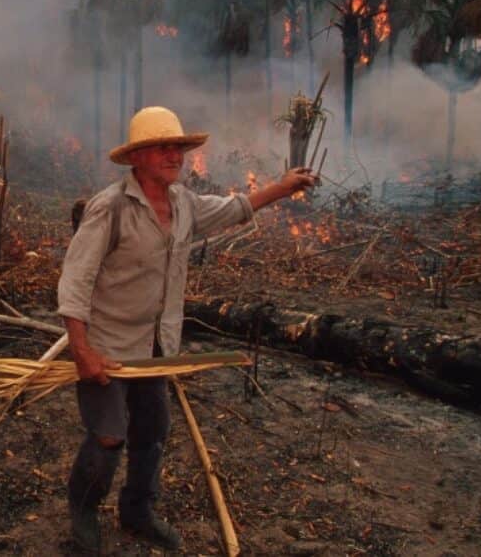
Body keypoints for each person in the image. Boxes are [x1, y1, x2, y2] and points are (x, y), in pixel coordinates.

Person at [57, 106, 318, 553]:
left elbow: (235, 208)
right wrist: (82, 350)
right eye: (162, 147)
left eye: (178, 146)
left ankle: (137, 512)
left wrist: (282, 187)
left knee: (152, 432)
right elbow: (75, 281)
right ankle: (82, 512)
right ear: (137, 157)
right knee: (108, 435)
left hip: (158, 346)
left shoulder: (184, 204)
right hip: (109, 345)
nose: (174, 154)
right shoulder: (111, 208)